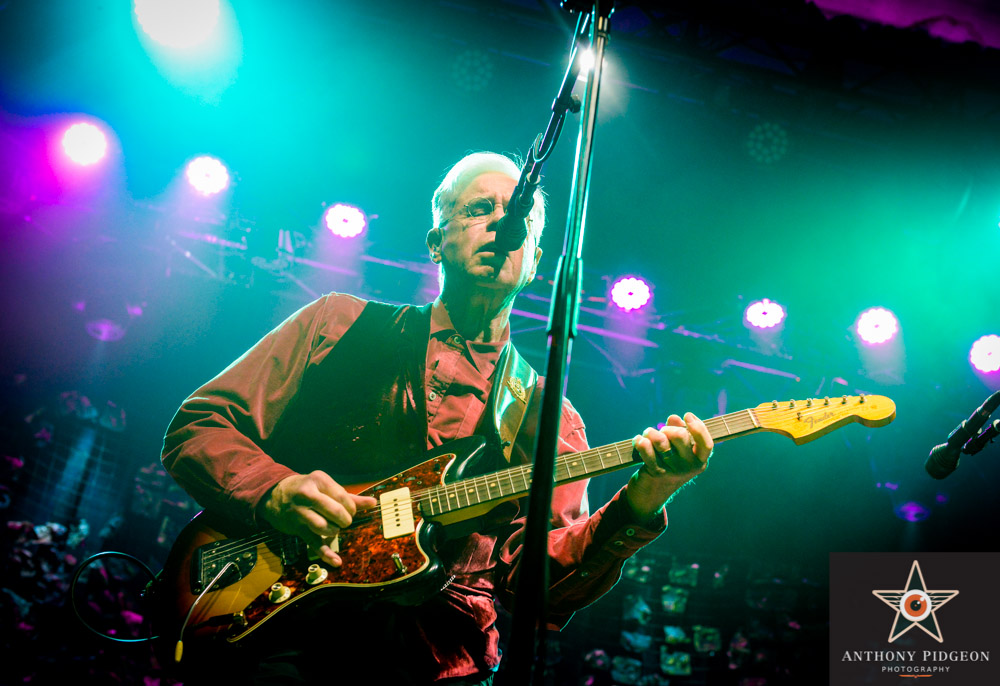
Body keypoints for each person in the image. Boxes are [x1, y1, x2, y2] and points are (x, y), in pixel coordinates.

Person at [160, 152, 713, 685]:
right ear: (436, 242)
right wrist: (274, 490)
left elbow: (539, 587)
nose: (504, 224)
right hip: (283, 639)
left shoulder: (548, 416)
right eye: (479, 209)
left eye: (520, 218)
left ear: (537, 260)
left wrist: (647, 494)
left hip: (436, 661)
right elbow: (200, 425)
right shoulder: (336, 323)